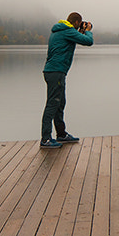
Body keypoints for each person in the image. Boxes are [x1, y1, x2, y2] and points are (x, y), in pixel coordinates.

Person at [40, 12, 94, 148]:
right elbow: (88, 41)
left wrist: (81, 31)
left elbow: (76, 38)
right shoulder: (67, 31)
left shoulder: (61, 30)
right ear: (76, 23)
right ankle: (46, 138)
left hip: (53, 71)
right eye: (79, 24)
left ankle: (61, 134)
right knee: (52, 105)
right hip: (56, 72)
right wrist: (87, 31)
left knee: (60, 103)